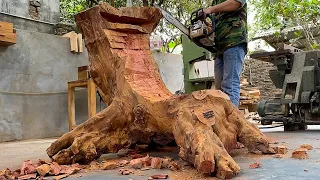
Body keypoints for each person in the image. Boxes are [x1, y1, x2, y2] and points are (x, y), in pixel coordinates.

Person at [203, 0, 247, 107]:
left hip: (234, 40)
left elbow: (237, 2)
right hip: (219, 46)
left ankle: (231, 122)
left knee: (230, 85)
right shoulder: (216, 1)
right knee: (220, 89)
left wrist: (211, 9)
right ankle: (224, 121)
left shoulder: (217, 5)